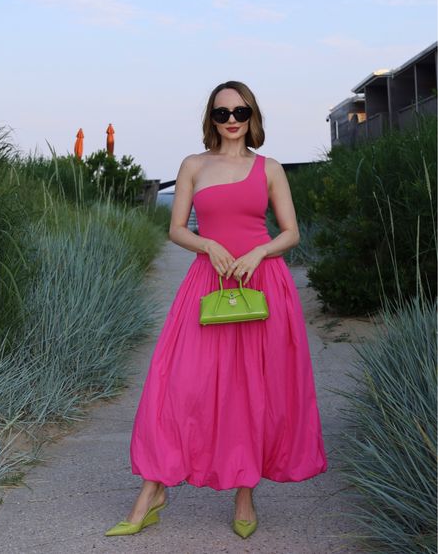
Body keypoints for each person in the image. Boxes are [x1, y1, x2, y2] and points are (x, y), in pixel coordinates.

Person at [105, 80, 328, 540]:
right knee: (180, 386)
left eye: (239, 112)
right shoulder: (193, 164)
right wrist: (207, 243)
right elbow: (176, 230)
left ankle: (244, 493)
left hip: (261, 286)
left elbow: (290, 233)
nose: (231, 121)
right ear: (211, 118)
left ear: (253, 117)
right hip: (208, 284)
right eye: (222, 113)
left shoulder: (269, 168)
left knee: (254, 391)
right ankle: (153, 491)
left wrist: (258, 253)